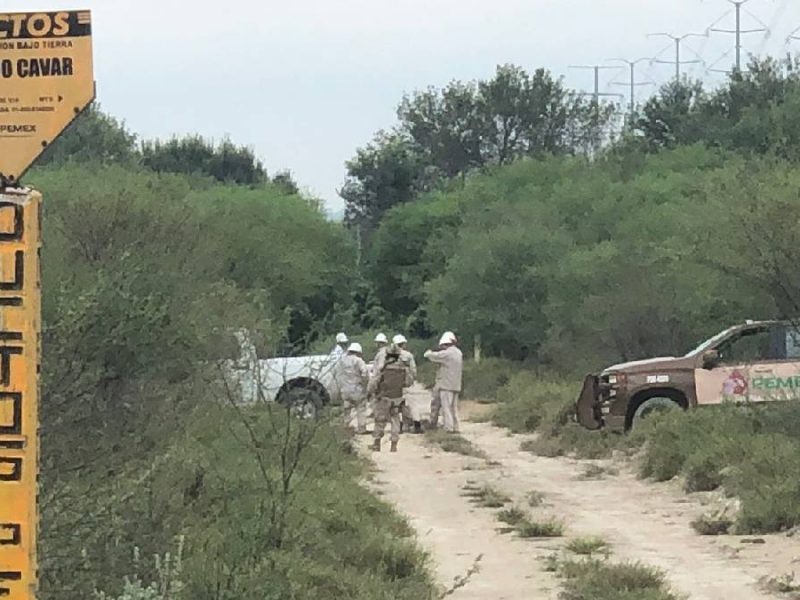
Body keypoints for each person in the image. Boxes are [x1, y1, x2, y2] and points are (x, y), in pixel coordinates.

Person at [369, 343, 411, 452]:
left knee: (380, 420)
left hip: (384, 397)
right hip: (397, 397)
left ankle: (377, 444)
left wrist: (371, 392)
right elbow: (408, 382)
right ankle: (394, 445)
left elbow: (375, 381)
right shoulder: (404, 368)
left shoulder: (384, 367)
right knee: (395, 420)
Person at [424, 331, 463, 433]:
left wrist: (428, 352)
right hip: (456, 385)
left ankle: (449, 428)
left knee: (446, 408)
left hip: (446, 385)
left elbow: (432, 356)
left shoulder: (447, 354)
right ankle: (456, 427)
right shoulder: (459, 353)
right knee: (454, 408)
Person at [393, 334, 422, 434]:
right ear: (403, 344)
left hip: (395, 385)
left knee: (397, 406)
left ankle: (399, 426)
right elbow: (413, 370)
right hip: (408, 384)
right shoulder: (408, 355)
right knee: (413, 405)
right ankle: (417, 425)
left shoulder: (390, 356)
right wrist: (412, 379)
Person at [340, 342, 369, 434]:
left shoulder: (342, 361)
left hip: (345, 390)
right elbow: (365, 374)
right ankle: (361, 428)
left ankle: (346, 427)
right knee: (361, 409)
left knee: (347, 410)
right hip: (357, 389)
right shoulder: (359, 361)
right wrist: (365, 385)